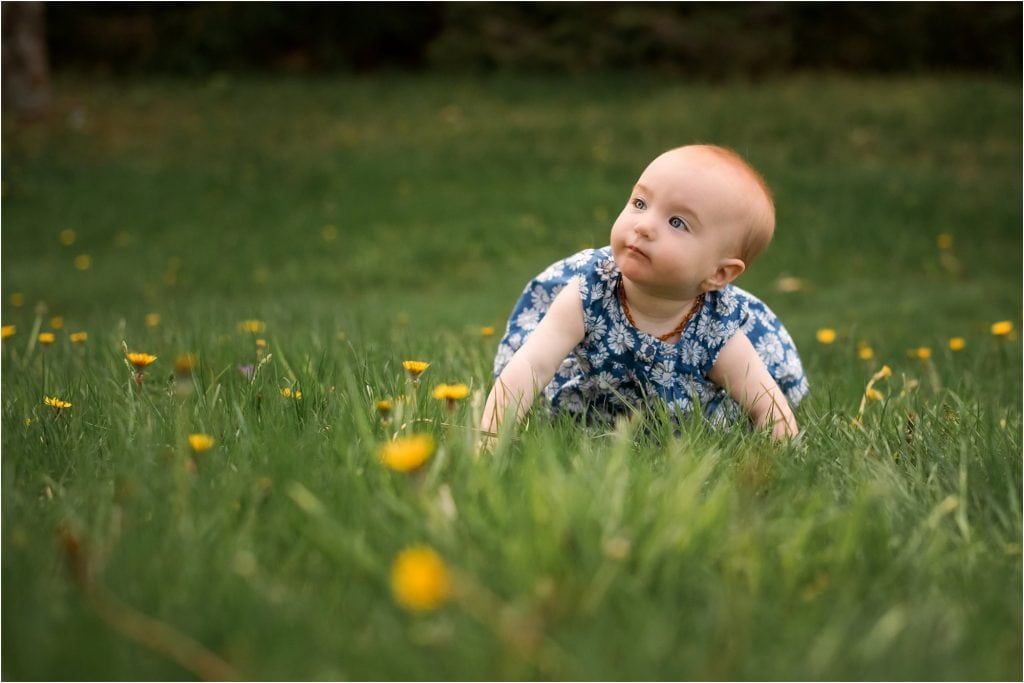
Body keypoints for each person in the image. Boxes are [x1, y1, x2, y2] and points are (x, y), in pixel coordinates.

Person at [481, 144, 808, 442]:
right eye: (640, 203)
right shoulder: (591, 291)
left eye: (677, 222)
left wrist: (776, 463)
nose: (644, 226)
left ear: (718, 274)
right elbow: (532, 365)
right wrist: (489, 438)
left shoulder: (716, 327)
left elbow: (769, 409)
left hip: (680, 440)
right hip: (589, 423)